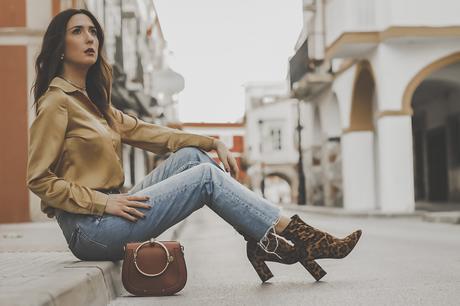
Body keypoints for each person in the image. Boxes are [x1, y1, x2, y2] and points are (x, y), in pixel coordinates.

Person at [27, 8, 362, 283]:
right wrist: (103, 202)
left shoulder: (97, 106)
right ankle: (298, 236)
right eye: (77, 31)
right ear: (60, 46)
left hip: (114, 212)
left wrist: (213, 142)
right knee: (205, 177)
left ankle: (265, 240)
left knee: (191, 157)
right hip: (90, 230)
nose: (90, 38)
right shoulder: (56, 102)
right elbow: (39, 180)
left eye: (93, 31)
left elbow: (158, 135)